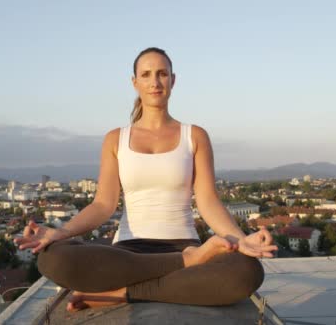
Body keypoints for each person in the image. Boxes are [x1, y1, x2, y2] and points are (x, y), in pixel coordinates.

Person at [14, 47, 278, 312]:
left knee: (247, 271)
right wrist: (60, 232)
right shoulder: (115, 139)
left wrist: (241, 239)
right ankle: (179, 267)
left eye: (162, 74)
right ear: (135, 82)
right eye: (147, 74)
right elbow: (103, 204)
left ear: (173, 80)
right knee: (51, 259)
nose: (155, 82)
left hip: (185, 243)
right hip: (128, 254)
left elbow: (208, 201)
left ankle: (121, 293)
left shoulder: (194, 136)